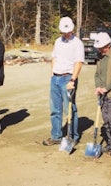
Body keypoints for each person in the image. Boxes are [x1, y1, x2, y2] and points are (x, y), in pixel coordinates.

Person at [42, 16, 84, 146]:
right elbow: (54, 57)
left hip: (68, 78)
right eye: (64, 31)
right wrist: (53, 72)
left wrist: (72, 79)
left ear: (72, 30)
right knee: (55, 109)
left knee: (70, 109)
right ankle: (56, 136)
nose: (66, 33)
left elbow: (79, 62)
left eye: (68, 31)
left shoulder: (77, 43)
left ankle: (73, 136)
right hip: (55, 77)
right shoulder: (58, 42)